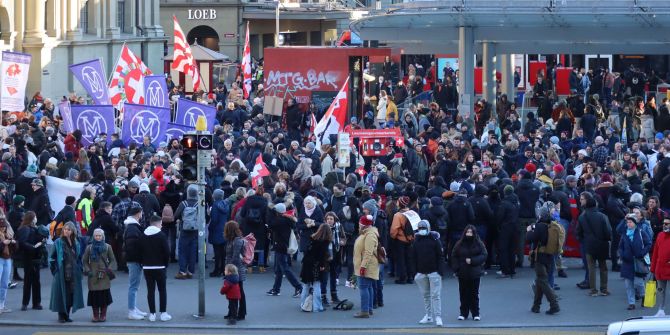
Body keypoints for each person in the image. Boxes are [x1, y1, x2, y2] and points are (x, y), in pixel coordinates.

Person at [526, 202, 562, 315]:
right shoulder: (552, 224)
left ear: (541, 215)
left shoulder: (540, 226)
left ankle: (554, 304)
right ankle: (536, 306)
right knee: (539, 281)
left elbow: (530, 239)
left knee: (542, 280)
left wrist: (529, 230)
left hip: (540, 256)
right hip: (550, 255)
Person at [577, 191, 612, 297]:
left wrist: (584, 240)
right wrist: (606, 239)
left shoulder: (582, 217)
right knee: (603, 267)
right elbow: (608, 231)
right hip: (602, 244)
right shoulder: (602, 216)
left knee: (591, 267)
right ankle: (604, 289)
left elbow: (579, 232)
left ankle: (593, 290)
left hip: (589, 244)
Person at [49, 221, 84, 323]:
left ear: (73, 231)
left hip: (73, 272)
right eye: (65, 229)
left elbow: (78, 257)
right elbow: (52, 257)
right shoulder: (58, 242)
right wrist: (55, 269)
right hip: (61, 271)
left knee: (70, 294)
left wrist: (79, 268)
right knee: (61, 293)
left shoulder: (76, 242)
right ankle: (61, 315)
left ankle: (67, 315)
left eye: (69, 230)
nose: (66, 231)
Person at [451, 224, 487, 321]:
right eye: (467, 232)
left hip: (475, 273)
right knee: (463, 294)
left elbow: (484, 255)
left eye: (471, 232)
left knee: (474, 294)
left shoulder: (479, 243)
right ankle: (463, 313)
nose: (469, 234)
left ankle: (476, 313)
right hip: (462, 273)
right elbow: (454, 255)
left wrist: (473, 261)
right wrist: (456, 268)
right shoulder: (459, 243)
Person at [413, 220, 445, 326]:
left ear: (428, 228)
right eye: (420, 228)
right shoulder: (416, 240)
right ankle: (428, 315)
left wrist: (440, 271)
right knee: (426, 295)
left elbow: (440, 256)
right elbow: (413, 256)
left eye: (424, 228)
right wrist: (415, 272)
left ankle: (438, 317)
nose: (422, 230)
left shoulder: (435, 240)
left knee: (435, 295)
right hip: (421, 272)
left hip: (434, 272)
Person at [267, 203, 302, 298]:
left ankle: (298, 287)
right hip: (283, 245)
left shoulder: (279, 221)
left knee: (285, 269)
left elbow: (270, 224)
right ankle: (276, 289)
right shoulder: (286, 219)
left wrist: (271, 211)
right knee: (279, 270)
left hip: (280, 246)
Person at [140, 215, 171, 322]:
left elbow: (139, 251)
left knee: (150, 290)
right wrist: (166, 264)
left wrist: (142, 263)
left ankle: (152, 314)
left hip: (147, 267)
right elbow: (167, 252)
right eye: (161, 223)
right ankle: (163, 313)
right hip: (160, 266)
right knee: (162, 290)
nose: (162, 225)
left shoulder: (143, 235)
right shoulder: (161, 235)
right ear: (157, 223)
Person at [82, 228, 116, 322]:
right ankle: (95, 315)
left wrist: (108, 268)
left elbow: (112, 260)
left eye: (99, 236)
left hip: (104, 275)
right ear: (94, 236)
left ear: (103, 236)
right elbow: (84, 261)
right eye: (96, 236)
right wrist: (88, 270)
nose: (98, 237)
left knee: (104, 297)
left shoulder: (108, 247)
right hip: (93, 276)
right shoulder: (89, 247)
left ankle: (103, 315)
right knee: (94, 297)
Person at [618, 214, 651, 310]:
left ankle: (643, 295)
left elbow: (648, 243)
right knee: (628, 284)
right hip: (627, 262)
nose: (628, 224)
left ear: (635, 223)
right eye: (627, 222)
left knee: (639, 283)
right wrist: (622, 254)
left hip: (638, 261)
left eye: (630, 222)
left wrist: (642, 253)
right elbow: (620, 246)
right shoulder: (625, 233)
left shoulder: (641, 232)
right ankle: (631, 303)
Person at [299, 223, 332, 313]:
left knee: (306, 285)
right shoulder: (325, 242)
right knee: (317, 285)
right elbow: (321, 255)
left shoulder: (312, 238)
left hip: (306, 263)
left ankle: (303, 304)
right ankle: (317, 307)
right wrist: (322, 266)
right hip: (316, 265)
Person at [16, 211, 45, 311]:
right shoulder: (26, 229)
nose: (36, 218)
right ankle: (29, 303)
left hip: (33, 257)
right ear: (32, 218)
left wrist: (41, 241)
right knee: (30, 281)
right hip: (30, 257)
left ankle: (32, 303)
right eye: (35, 217)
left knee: (34, 281)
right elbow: (23, 242)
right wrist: (33, 247)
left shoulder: (32, 228)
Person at [123, 206, 148, 320]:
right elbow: (133, 247)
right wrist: (140, 260)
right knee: (133, 286)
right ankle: (131, 311)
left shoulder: (132, 227)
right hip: (135, 260)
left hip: (134, 260)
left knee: (134, 286)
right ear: (138, 214)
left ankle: (133, 308)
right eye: (141, 213)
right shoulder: (133, 228)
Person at [353, 214, 379, 318]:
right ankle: (369, 309)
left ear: (364, 225)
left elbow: (368, 252)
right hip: (365, 265)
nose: (359, 226)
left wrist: (363, 267)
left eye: (360, 224)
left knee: (363, 288)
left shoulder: (370, 235)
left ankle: (365, 311)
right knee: (368, 287)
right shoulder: (368, 233)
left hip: (366, 266)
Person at [174, 184, 199, 279]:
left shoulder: (183, 203)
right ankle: (190, 271)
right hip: (195, 230)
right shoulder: (199, 204)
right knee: (193, 250)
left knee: (182, 250)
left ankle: (182, 271)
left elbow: (176, 215)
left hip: (184, 229)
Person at [224, 220, 247, 321]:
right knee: (232, 293)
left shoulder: (237, 241)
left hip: (236, 271)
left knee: (238, 293)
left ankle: (241, 313)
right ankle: (231, 312)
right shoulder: (231, 240)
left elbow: (235, 257)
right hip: (232, 270)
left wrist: (229, 270)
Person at [651, 216, 670, 317]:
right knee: (661, 291)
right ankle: (661, 310)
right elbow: (655, 252)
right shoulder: (660, 235)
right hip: (660, 269)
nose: (664, 225)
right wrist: (653, 268)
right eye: (664, 223)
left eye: (666, 224)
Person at [0, 217, 17, 314]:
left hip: (7, 259)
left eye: (4, 227)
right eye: (1, 227)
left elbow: (15, 249)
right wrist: (2, 243)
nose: (3, 229)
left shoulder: (8, 234)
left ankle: (1, 305)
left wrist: (13, 243)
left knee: (5, 283)